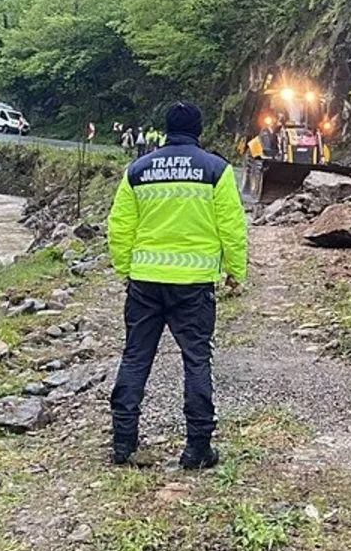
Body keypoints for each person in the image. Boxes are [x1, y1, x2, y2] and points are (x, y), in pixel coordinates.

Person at [106, 101, 248, 469]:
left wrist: (126, 268)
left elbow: (119, 227)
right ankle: (197, 448)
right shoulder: (216, 170)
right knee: (196, 360)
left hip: (144, 283)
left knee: (136, 357)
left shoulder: (137, 170)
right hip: (194, 285)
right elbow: (231, 227)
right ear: (199, 130)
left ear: (165, 129)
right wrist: (236, 270)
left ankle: (123, 442)